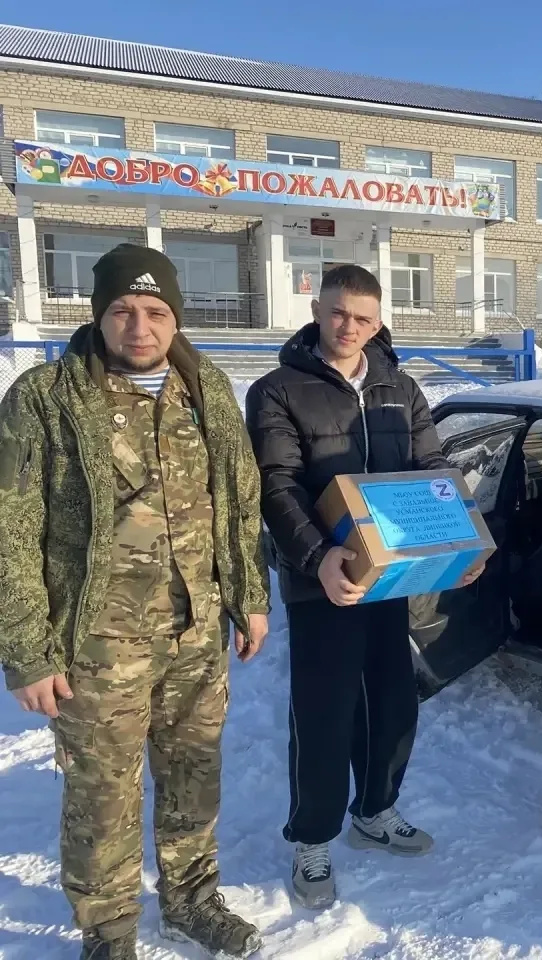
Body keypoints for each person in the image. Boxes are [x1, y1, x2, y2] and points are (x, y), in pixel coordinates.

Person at [0, 243, 271, 960]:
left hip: (195, 633)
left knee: (194, 776)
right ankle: (109, 931)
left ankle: (192, 901)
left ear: (176, 318)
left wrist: (249, 595)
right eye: (123, 310)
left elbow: (239, 500)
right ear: (99, 315)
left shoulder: (206, 388)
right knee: (103, 794)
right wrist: (26, 652)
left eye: (156, 311)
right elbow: (10, 529)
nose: (140, 327)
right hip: (97, 644)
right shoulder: (46, 398)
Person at [245, 264, 481, 910]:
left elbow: (432, 468)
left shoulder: (398, 387)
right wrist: (319, 557)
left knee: (392, 701)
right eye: (338, 313)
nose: (349, 327)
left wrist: (461, 542)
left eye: (363, 318)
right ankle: (313, 837)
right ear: (317, 311)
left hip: (391, 575)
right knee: (324, 711)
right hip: (323, 580)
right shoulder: (278, 391)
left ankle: (375, 810)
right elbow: (277, 486)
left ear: (379, 323)